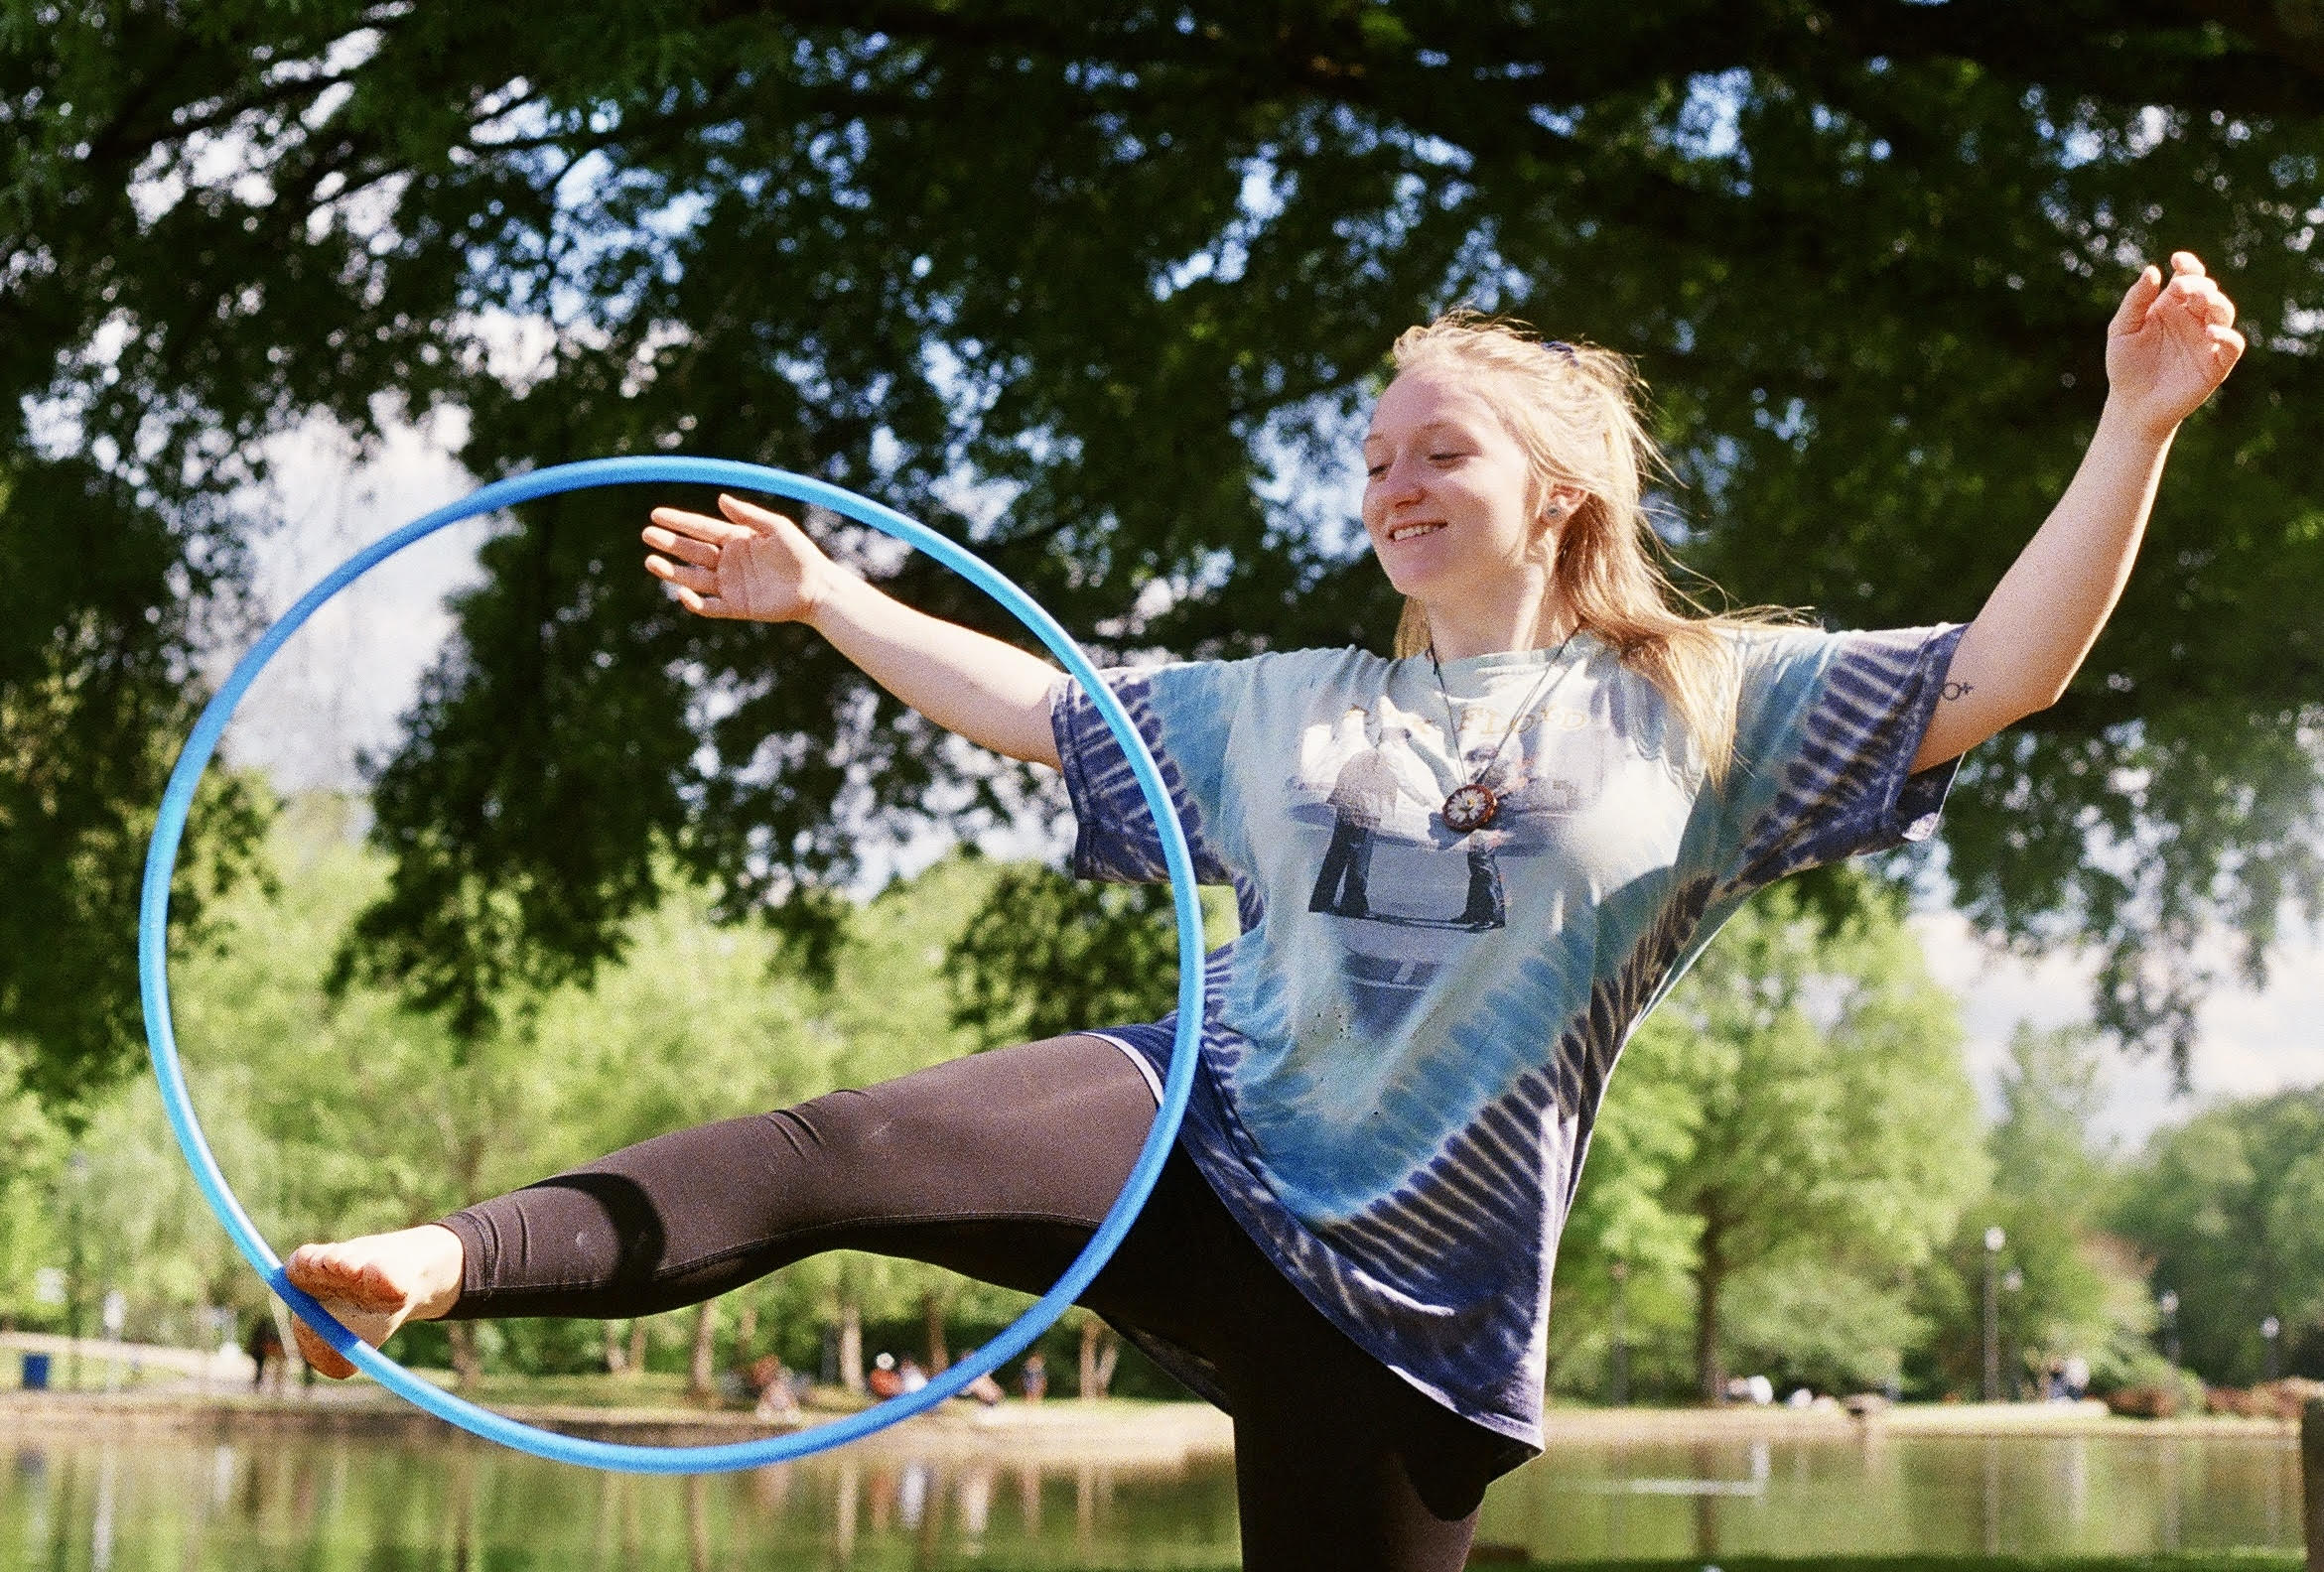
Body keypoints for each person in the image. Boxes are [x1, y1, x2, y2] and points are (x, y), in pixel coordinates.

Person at [282, 255, 2241, 1572]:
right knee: (850, 1143)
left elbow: (2003, 668)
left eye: (1435, 449)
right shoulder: (1291, 710)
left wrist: (2132, 427)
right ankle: (435, 1264)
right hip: (1194, 1131)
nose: (1387, 481)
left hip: (1414, 1297)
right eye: (1370, 456)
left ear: (1556, 488)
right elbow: (1039, 710)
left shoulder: (1704, 704)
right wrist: (824, 599)